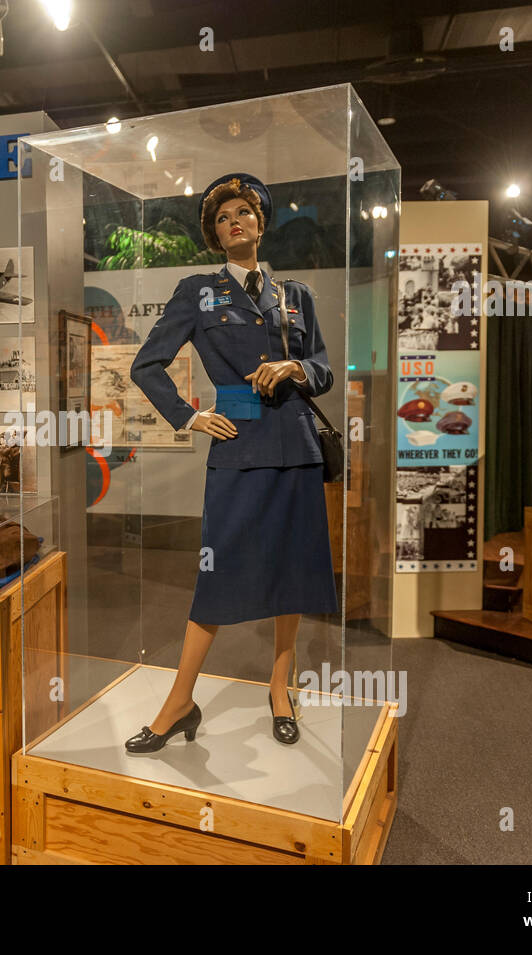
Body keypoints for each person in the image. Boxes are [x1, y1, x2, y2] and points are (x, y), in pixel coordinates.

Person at [124, 172, 337, 753]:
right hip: (238, 443)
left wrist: (296, 369)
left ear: (261, 221)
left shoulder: (296, 295)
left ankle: (280, 688)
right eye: (222, 218)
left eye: (243, 211)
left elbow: (323, 369)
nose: (233, 222)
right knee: (216, 575)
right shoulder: (197, 290)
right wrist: (190, 417)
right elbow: (147, 365)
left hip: (295, 444)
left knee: (293, 570)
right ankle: (179, 700)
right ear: (215, 235)